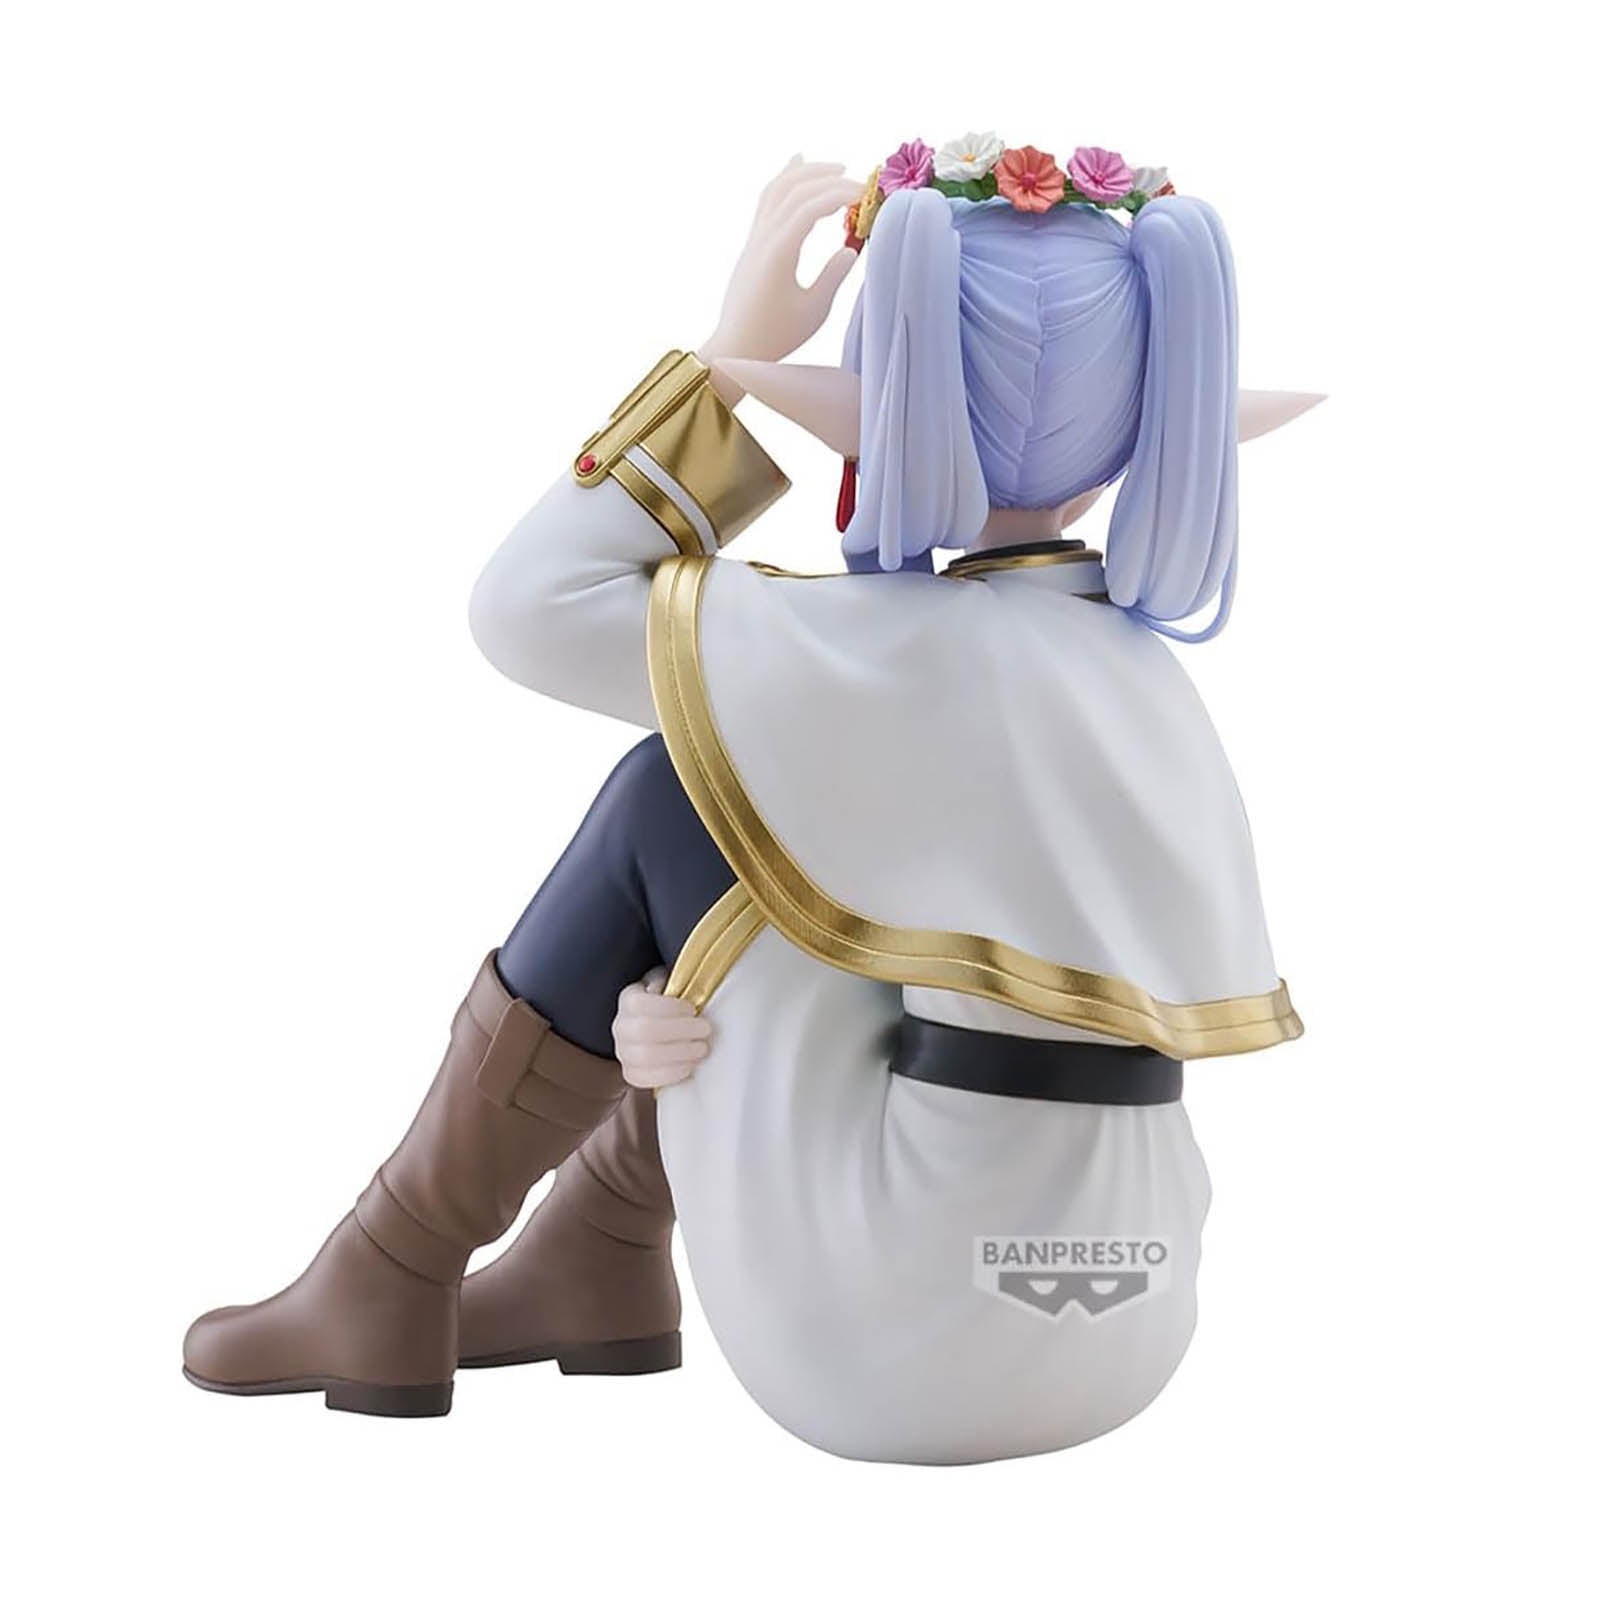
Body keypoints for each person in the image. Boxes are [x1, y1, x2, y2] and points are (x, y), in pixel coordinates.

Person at [184, 144, 1314, 1462]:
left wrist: (730, 360)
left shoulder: (872, 657)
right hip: (1127, 1318)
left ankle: (400, 1259)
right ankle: (595, 1253)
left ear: (877, 405)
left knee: (676, 789)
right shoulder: (1140, 673)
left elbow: (526, 607)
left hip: (897, 1338)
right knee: (780, 836)